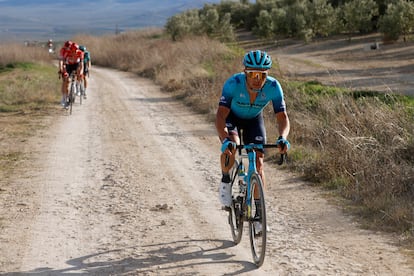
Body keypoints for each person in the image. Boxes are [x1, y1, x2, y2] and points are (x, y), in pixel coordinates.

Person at [215, 50, 290, 230]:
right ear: (245, 72)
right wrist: (225, 139)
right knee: (231, 146)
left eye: (261, 74)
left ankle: (258, 215)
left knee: (258, 161)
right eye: (252, 74)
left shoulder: (273, 86)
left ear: (267, 74)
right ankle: (226, 181)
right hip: (232, 118)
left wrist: (283, 138)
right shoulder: (233, 83)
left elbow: (282, 118)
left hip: (254, 120)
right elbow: (220, 116)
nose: (257, 78)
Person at [58, 41, 84, 107]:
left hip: (76, 64)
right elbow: (63, 63)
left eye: (76, 50)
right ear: (70, 49)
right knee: (67, 81)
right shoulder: (67, 52)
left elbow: (81, 64)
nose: (75, 52)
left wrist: (80, 73)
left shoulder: (80, 53)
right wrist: (64, 71)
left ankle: (77, 86)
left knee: (79, 71)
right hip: (68, 65)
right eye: (73, 50)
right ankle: (65, 98)